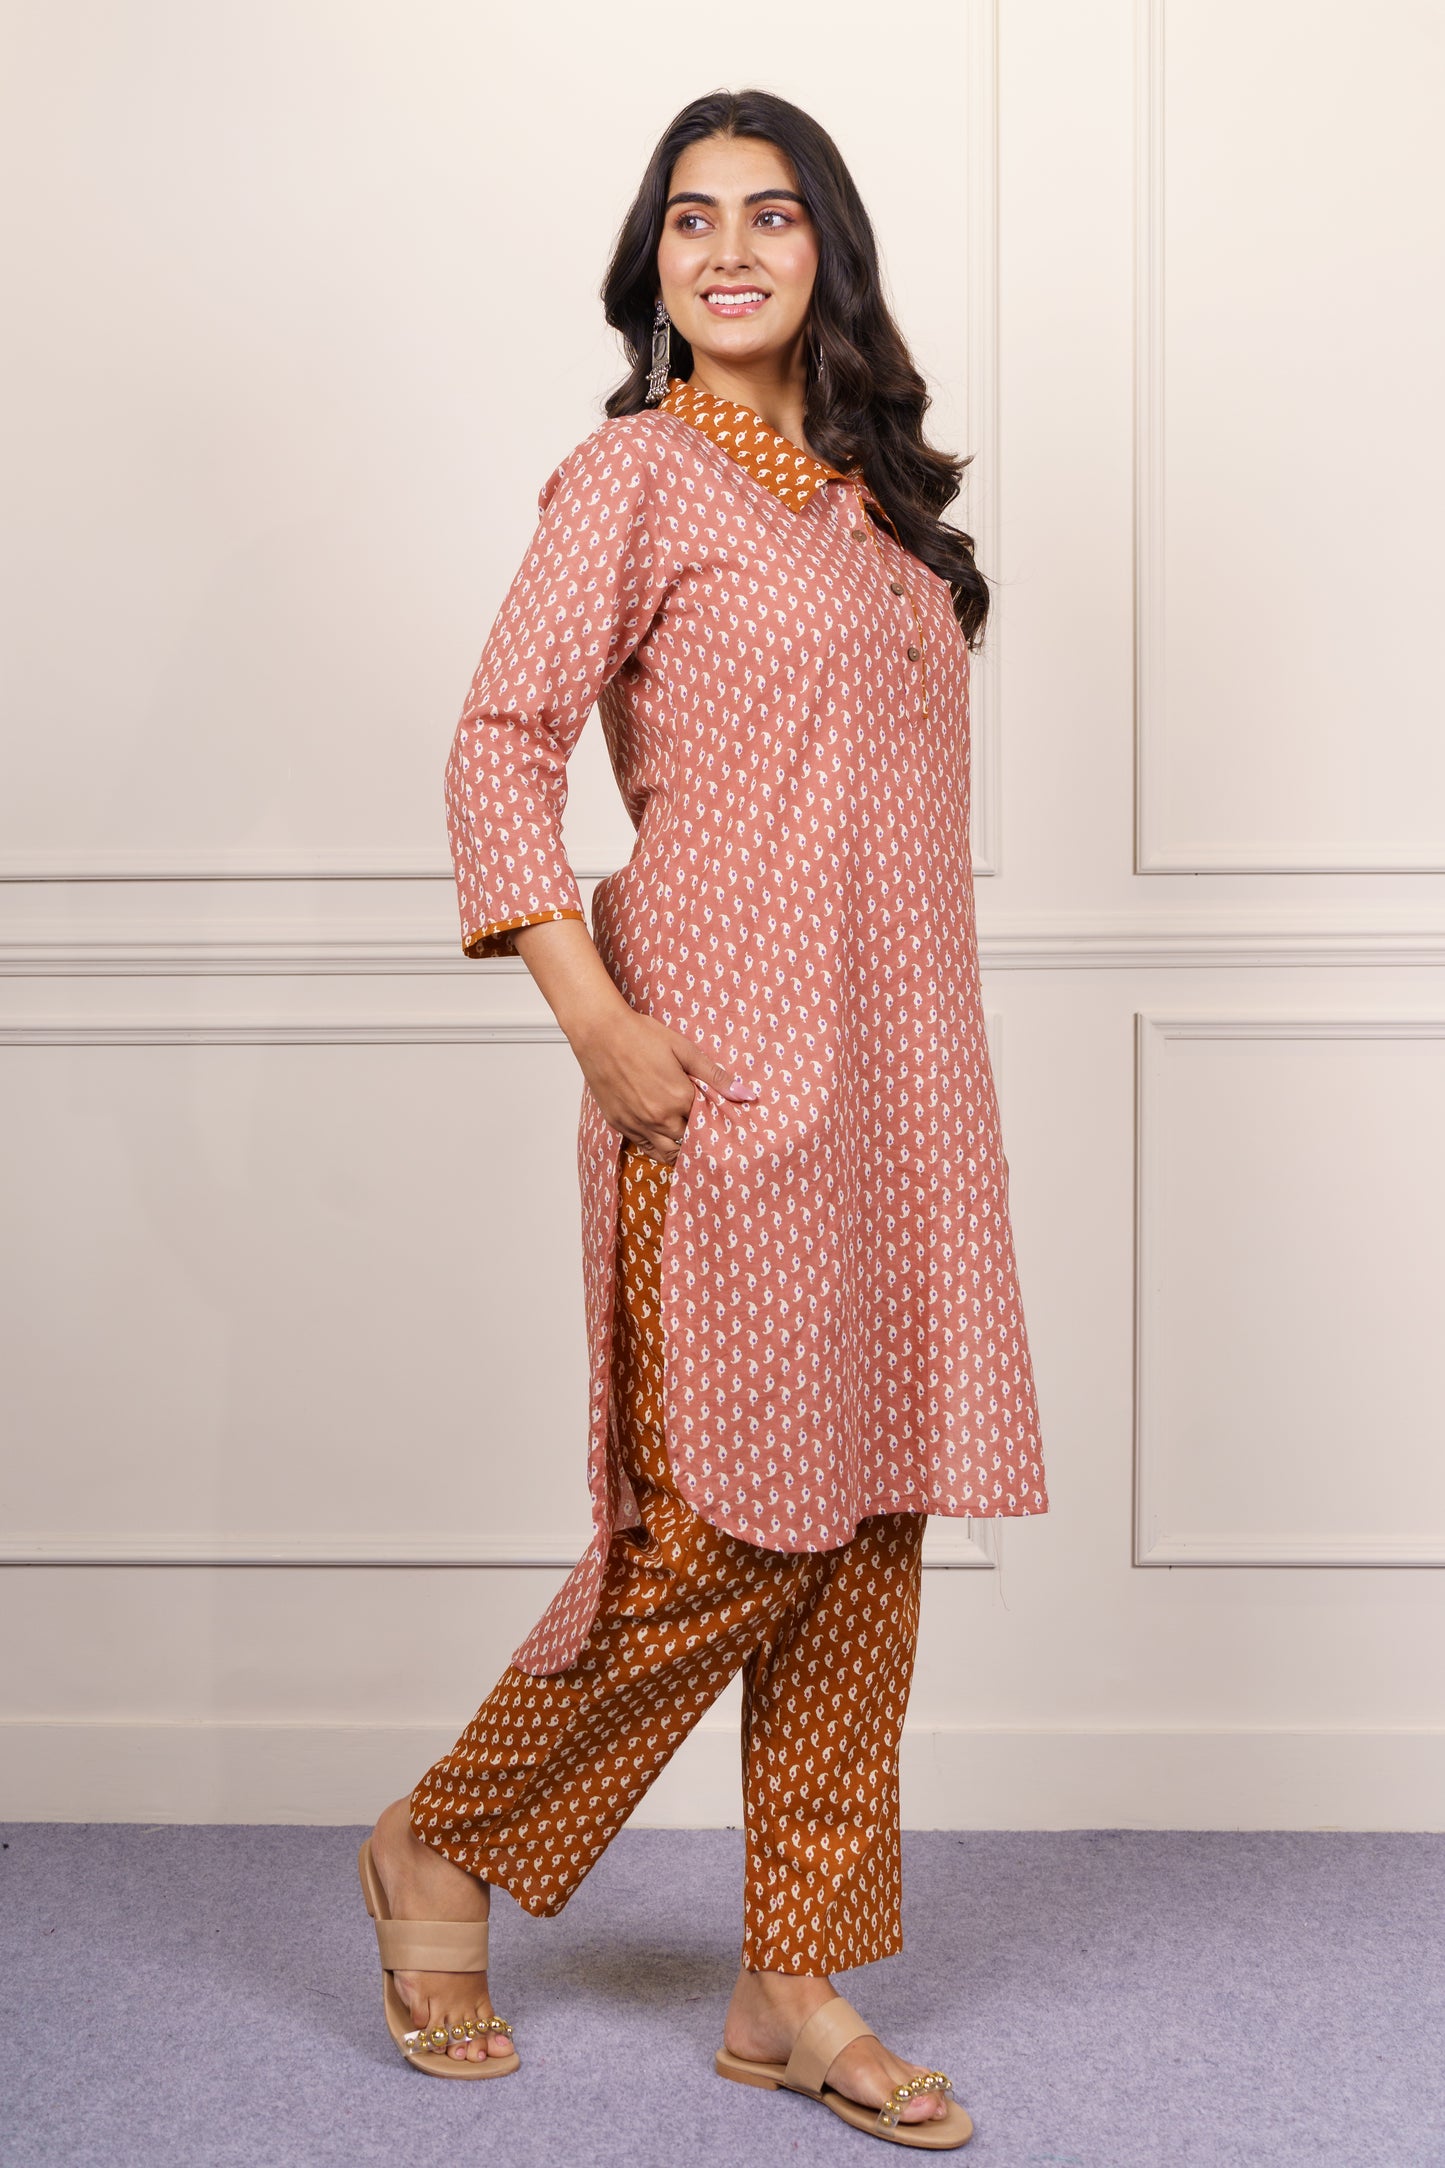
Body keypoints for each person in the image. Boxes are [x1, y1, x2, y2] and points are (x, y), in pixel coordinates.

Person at [357, 85, 1048, 2149]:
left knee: (864, 1529)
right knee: (714, 1536)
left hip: (910, 1098)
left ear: (827, 251)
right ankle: (441, 1841)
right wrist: (595, 1021)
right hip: (720, 1078)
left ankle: (791, 1977)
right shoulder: (637, 481)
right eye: (690, 219)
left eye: (769, 214)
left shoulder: (875, 510)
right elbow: (498, 741)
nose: (729, 249)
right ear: (653, 266)